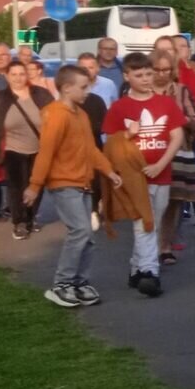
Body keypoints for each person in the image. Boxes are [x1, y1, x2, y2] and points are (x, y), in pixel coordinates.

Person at [25, 65, 122, 306]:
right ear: (67, 88)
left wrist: (108, 171)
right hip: (63, 183)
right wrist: (35, 185)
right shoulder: (56, 114)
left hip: (82, 182)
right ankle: (62, 284)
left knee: (87, 235)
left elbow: (90, 149)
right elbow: (46, 152)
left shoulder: (80, 114)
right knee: (79, 231)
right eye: (83, 87)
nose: (87, 91)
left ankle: (79, 282)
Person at [104, 52, 183, 296]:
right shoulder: (120, 107)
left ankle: (136, 268)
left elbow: (176, 136)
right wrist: (127, 135)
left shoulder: (165, 103)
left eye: (149, 74)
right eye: (139, 75)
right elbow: (110, 143)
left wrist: (161, 163)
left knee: (154, 222)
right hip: (134, 175)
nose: (146, 79)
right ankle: (150, 272)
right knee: (144, 223)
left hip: (161, 173)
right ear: (127, 76)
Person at [0, 60, 54, 239]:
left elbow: (56, 119)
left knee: (36, 185)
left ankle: (30, 217)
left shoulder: (41, 95)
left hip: (39, 149)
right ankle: (19, 221)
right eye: (14, 74)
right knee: (16, 187)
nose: (18, 78)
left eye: (21, 74)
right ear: (6, 76)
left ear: (27, 75)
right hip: (11, 149)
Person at [147, 46, 195, 263]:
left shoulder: (181, 91)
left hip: (178, 152)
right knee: (149, 203)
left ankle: (164, 246)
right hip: (149, 151)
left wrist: (179, 118)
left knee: (173, 201)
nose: (162, 74)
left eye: (166, 70)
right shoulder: (140, 89)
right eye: (157, 69)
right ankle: (147, 246)